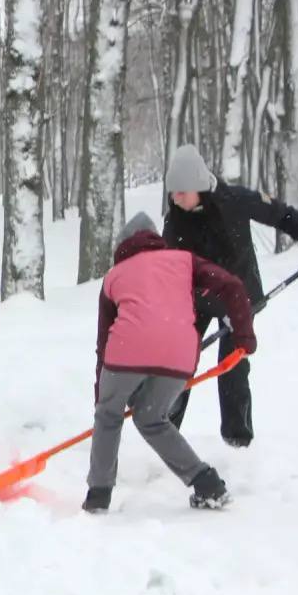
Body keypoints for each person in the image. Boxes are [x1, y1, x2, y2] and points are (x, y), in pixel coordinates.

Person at [85, 213, 257, 513]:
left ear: (124, 245)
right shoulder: (184, 261)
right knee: (151, 418)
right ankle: (207, 484)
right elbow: (231, 284)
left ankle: (99, 495)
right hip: (179, 354)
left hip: (126, 349)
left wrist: (103, 397)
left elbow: (104, 343)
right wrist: (244, 336)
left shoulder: (114, 276)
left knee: (109, 417)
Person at [162, 144, 298, 447]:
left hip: (238, 296)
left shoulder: (234, 200)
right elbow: (171, 271)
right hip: (195, 297)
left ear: (197, 185)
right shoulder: (175, 221)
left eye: (180, 191)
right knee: (178, 362)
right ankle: (165, 433)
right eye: (172, 192)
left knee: (232, 365)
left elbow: (282, 215)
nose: (175, 197)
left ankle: (238, 442)